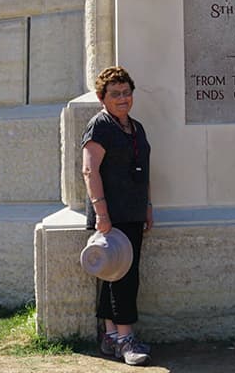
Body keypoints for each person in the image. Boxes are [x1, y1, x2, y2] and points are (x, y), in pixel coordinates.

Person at [82, 66, 154, 366]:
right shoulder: (100, 126)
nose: (123, 98)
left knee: (115, 272)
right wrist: (101, 213)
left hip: (133, 212)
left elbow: (145, 170)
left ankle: (111, 335)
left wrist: (148, 206)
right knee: (124, 277)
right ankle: (126, 339)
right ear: (102, 98)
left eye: (126, 93)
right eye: (115, 94)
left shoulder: (136, 128)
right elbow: (89, 170)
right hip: (111, 214)